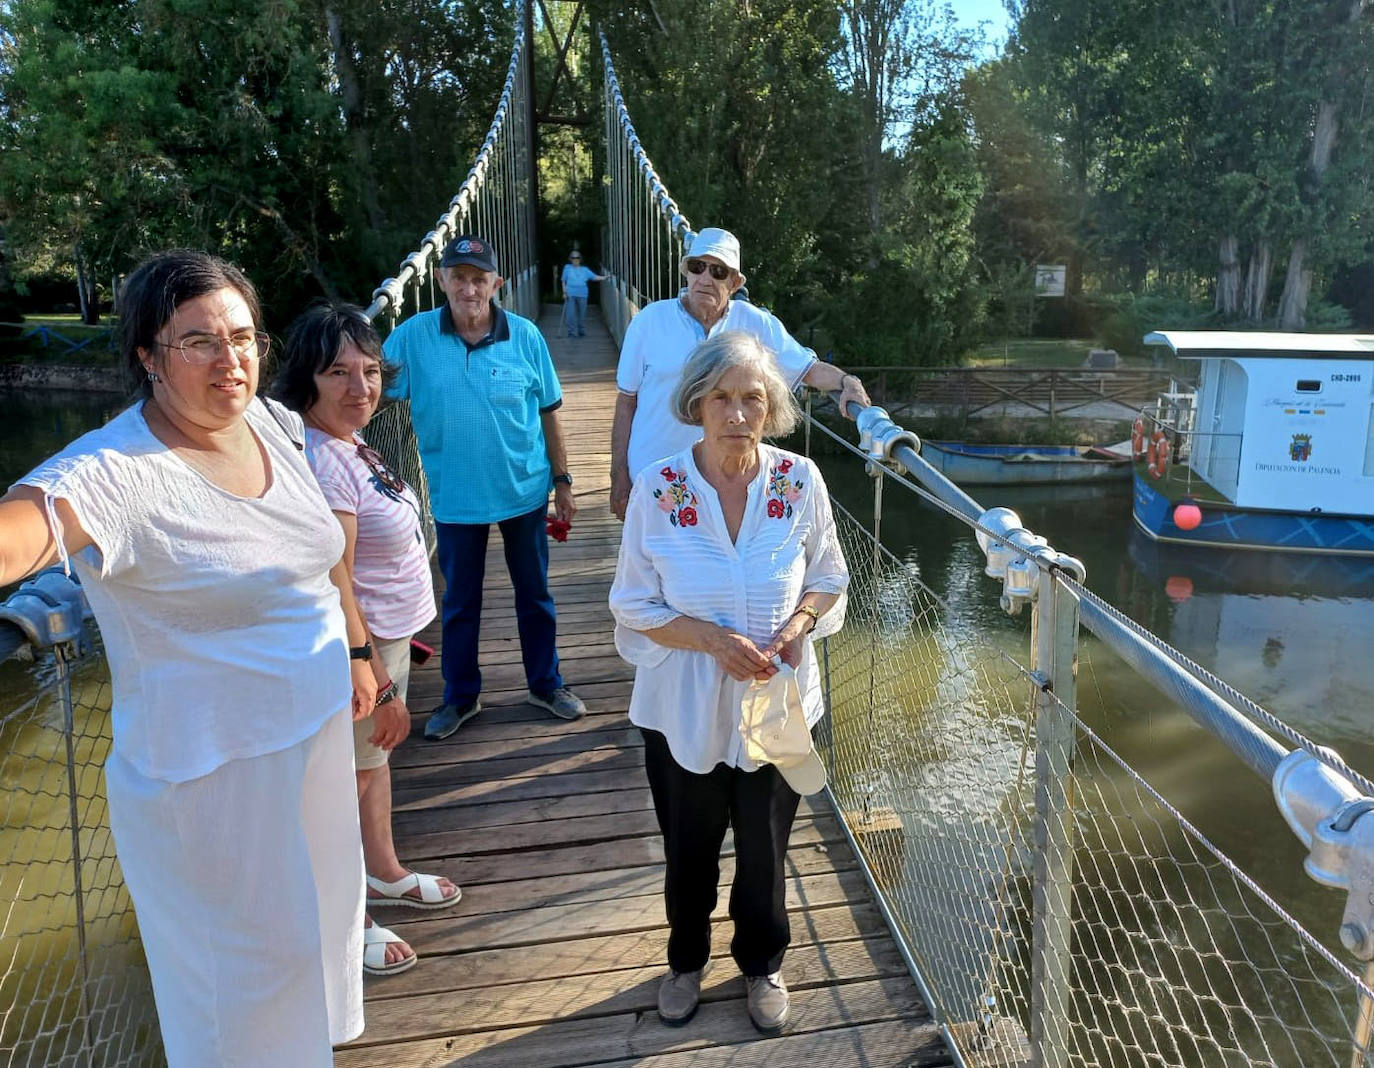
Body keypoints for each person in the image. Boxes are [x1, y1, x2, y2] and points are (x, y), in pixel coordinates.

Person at [0, 250, 373, 1065]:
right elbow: (16, 536)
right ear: (148, 356)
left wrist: (354, 649)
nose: (231, 360)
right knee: (239, 986)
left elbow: (316, 559)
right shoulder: (115, 472)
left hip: (308, 734)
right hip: (209, 775)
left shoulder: (273, 424)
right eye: (198, 342)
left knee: (319, 930)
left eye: (243, 337)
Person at [608, 331, 849, 1034]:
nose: (738, 413)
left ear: (772, 406)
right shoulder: (658, 488)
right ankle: (685, 961)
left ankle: (762, 964)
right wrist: (712, 639)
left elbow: (830, 575)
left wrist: (800, 623)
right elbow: (632, 604)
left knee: (766, 848)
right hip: (684, 709)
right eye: (722, 397)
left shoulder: (801, 480)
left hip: (778, 701)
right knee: (689, 844)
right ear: (697, 403)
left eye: (753, 398)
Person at [274, 302, 462, 979]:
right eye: (339, 374)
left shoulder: (351, 442)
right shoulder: (325, 462)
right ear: (308, 381)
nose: (361, 388)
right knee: (343, 783)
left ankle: (382, 872)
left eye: (371, 371)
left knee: (370, 767)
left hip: (388, 639)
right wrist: (375, 677)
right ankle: (349, 921)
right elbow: (337, 577)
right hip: (361, 650)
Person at [383, 234, 585, 739]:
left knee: (535, 594)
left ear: (497, 283)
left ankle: (546, 684)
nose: (469, 290)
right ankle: (461, 697)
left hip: (524, 491)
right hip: (454, 498)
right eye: (459, 278)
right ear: (441, 280)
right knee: (459, 603)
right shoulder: (411, 337)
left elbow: (549, 413)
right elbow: (368, 392)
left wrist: (562, 482)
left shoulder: (527, 336)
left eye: (479, 279)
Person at [610, 226, 872, 520]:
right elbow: (626, 401)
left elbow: (808, 369)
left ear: (735, 282)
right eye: (697, 268)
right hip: (654, 477)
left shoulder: (756, 324)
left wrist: (847, 381)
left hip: (724, 485)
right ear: (687, 273)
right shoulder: (649, 322)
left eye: (718, 272)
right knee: (650, 564)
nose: (705, 279)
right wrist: (618, 474)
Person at [560, 249, 607, 338]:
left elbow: (594, 277)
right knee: (570, 314)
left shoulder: (584, 270)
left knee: (582, 313)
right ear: (570, 259)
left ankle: (581, 331)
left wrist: (604, 278)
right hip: (570, 294)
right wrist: (564, 292)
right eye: (573, 258)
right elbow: (563, 280)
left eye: (577, 257)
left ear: (580, 259)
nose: (575, 259)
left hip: (582, 294)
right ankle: (571, 332)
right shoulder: (567, 268)